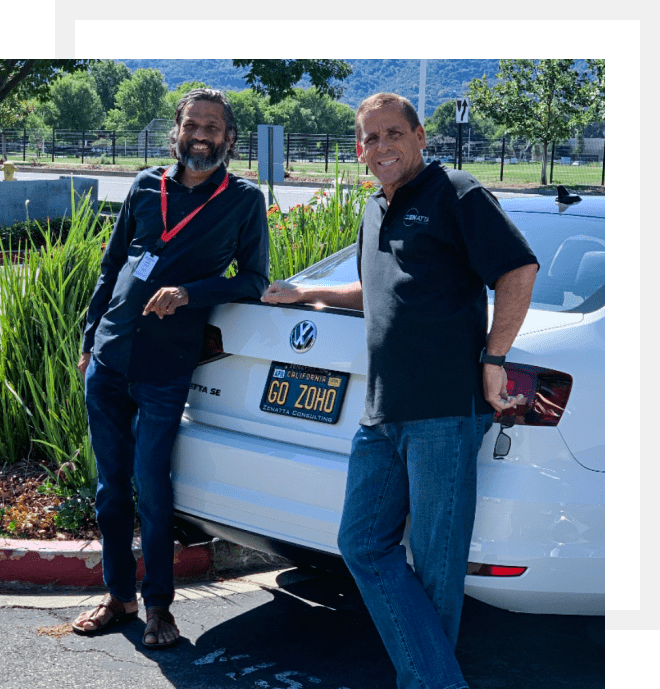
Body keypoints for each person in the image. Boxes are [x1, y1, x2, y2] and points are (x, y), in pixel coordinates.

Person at [261, 93, 538, 688]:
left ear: (419, 135)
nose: (380, 147)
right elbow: (376, 292)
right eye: (369, 139)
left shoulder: (456, 193)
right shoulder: (373, 210)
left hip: (442, 409)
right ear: (359, 150)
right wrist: (308, 294)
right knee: (360, 544)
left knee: (436, 570)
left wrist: (494, 358)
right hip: (381, 412)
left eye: (393, 134)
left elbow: (517, 269)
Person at [71, 88, 270, 648]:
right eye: (192, 125)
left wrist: (191, 292)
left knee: (152, 489)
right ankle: (119, 598)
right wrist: (90, 338)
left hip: (165, 366)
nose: (201, 135)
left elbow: (253, 279)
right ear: (176, 131)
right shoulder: (143, 185)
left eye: (213, 127)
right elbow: (111, 267)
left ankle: (160, 607)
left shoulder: (243, 200)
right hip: (110, 357)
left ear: (230, 139)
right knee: (111, 491)